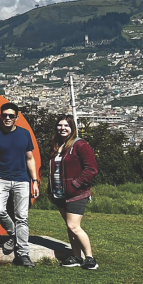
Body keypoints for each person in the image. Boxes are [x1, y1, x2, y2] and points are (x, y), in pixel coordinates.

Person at [0, 102, 40, 267]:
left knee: (22, 217)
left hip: (22, 180)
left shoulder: (24, 134)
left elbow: (30, 158)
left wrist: (34, 181)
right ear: (0, 116)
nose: (7, 118)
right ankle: (14, 233)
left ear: (16, 117)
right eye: (4, 115)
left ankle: (23, 254)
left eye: (11, 116)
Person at [49, 114, 99, 270]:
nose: (63, 128)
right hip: (59, 192)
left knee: (74, 226)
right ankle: (76, 256)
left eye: (66, 126)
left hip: (76, 193)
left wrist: (76, 184)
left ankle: (90, 257)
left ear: (73, 128)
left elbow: (91, 169)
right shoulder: (57, 146)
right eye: (60, 125)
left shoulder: (80, 145)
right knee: (69, 226)